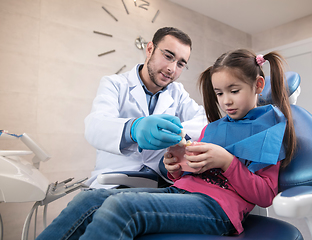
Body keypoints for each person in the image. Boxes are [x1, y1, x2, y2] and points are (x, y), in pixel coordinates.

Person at [36, 49, 297, 239]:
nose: (226, 101)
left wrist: (227, 162)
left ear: (258, 85)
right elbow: (191, 174)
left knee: (121, 208)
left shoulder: (269, 131)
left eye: (234, 90)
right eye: (219, 93)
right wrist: (174, 166)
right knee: (89, 200)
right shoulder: (214, 128)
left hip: (218, 208)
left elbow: (264, 196)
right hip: (183, 192)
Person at [84, 27, 207, 188]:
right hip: (114, 179)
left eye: (180, 64)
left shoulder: (178, 93)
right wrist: (133, 129)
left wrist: (175, 131)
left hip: (159, 180)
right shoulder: (115, 84)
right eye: (168, 56)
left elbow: (205, 120)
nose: (172, 69)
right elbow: (95, 126)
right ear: (150, 49)